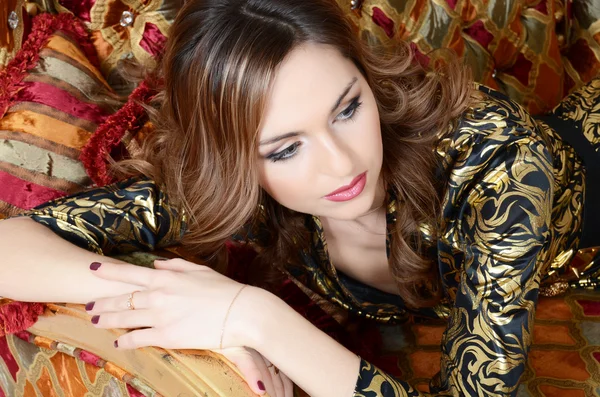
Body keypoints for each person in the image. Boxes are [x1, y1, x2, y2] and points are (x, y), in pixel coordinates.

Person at [0, 0, 599, 395]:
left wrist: (255, 317)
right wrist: (171, 301)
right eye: (285, 149)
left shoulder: (500, 163)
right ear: (233, 159)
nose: (342, 164)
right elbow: (8, 245)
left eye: (348, 108)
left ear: (368, 77)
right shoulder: (240, 189)